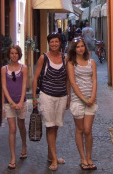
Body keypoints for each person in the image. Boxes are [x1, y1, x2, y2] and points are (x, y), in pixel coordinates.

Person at [32, 32, 70, 171]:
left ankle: (50, 155)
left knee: (55, 127)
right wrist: (35, 98)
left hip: (61, 96)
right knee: (50, 126)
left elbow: (67, 80)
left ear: (60, 43)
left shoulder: (65, 58)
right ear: (49, 43)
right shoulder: (44, 58)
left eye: (56, 42)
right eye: (52, 42)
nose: (54, 44)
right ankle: (54, 159)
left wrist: (68, 97)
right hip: (46, 96)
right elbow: (35, 78)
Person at [67, 37, 98, 170]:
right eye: (78, 46)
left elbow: (95, 80)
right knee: (80, 130)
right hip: (78, 100)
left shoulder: (92, 62)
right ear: (74, 49)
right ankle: (83, 158)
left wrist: (92, 97)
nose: (80, 48)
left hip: (91, 100)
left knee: (88, 129)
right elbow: (72, 83)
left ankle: (89, 157)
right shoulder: (71, 63)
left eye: (82, 46)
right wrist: (84, 99)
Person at [1, 45, 28, 170]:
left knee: (21, 125)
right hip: (9, 103)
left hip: (21, 101)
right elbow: (4, 87)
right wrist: (11, 102)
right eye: (11, 53)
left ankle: (24, 146)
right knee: (12, 129)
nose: (14, 55)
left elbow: (24, 85)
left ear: (19, 54)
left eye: (16, 53)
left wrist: (21, 101)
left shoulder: (24, 68)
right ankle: (12, 157)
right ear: (9, 54)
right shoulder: (4, 69)